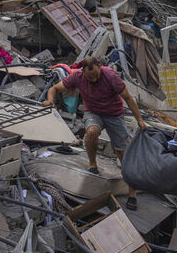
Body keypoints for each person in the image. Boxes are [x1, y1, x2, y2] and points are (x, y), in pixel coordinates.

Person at [43, 57, 147, 210]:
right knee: (92, 131)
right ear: (83, 72)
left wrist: (140, 119)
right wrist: (50, 100)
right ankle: (92, 163)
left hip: (114, 114)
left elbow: (128, 98)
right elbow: (54, 89)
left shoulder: (111, 76)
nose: (93, 80)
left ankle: (132, 193)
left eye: (96, 76)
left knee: (123, 153)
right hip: (93, 113)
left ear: (100, 67)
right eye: (89, 77)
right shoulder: (77, 77)